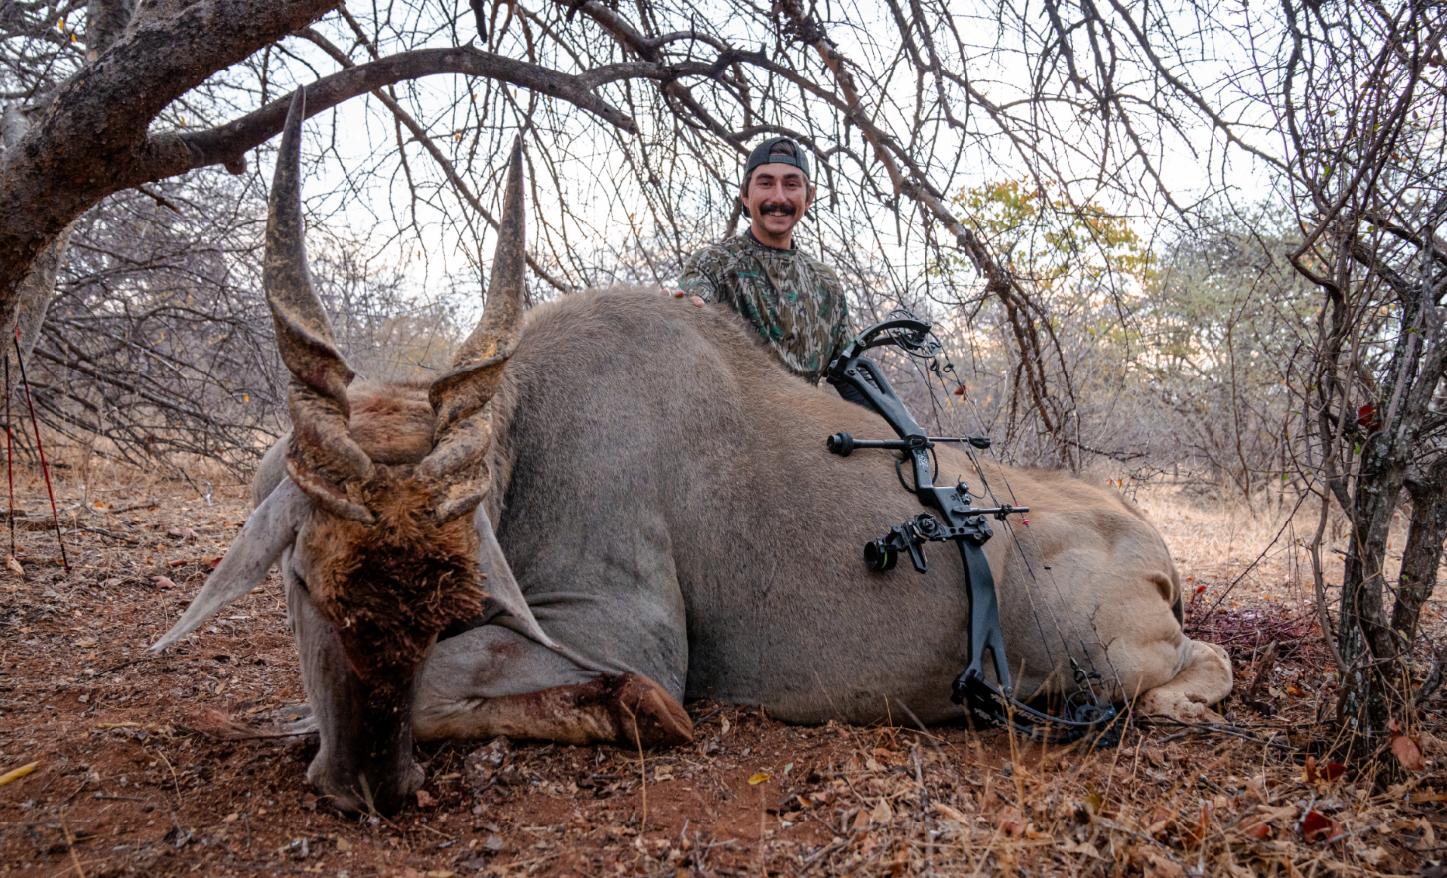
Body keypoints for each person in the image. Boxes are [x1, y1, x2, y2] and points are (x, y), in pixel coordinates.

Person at [666, 137, 852, 387]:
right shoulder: (713, 265)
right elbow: (693, 307)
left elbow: (856, 377)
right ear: (745, 194)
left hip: (812, 424)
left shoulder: (826, 283)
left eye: (791, 184)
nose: (779, 197)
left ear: (808, 198)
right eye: (765, 183)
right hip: (738, 423)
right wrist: (680, 312)